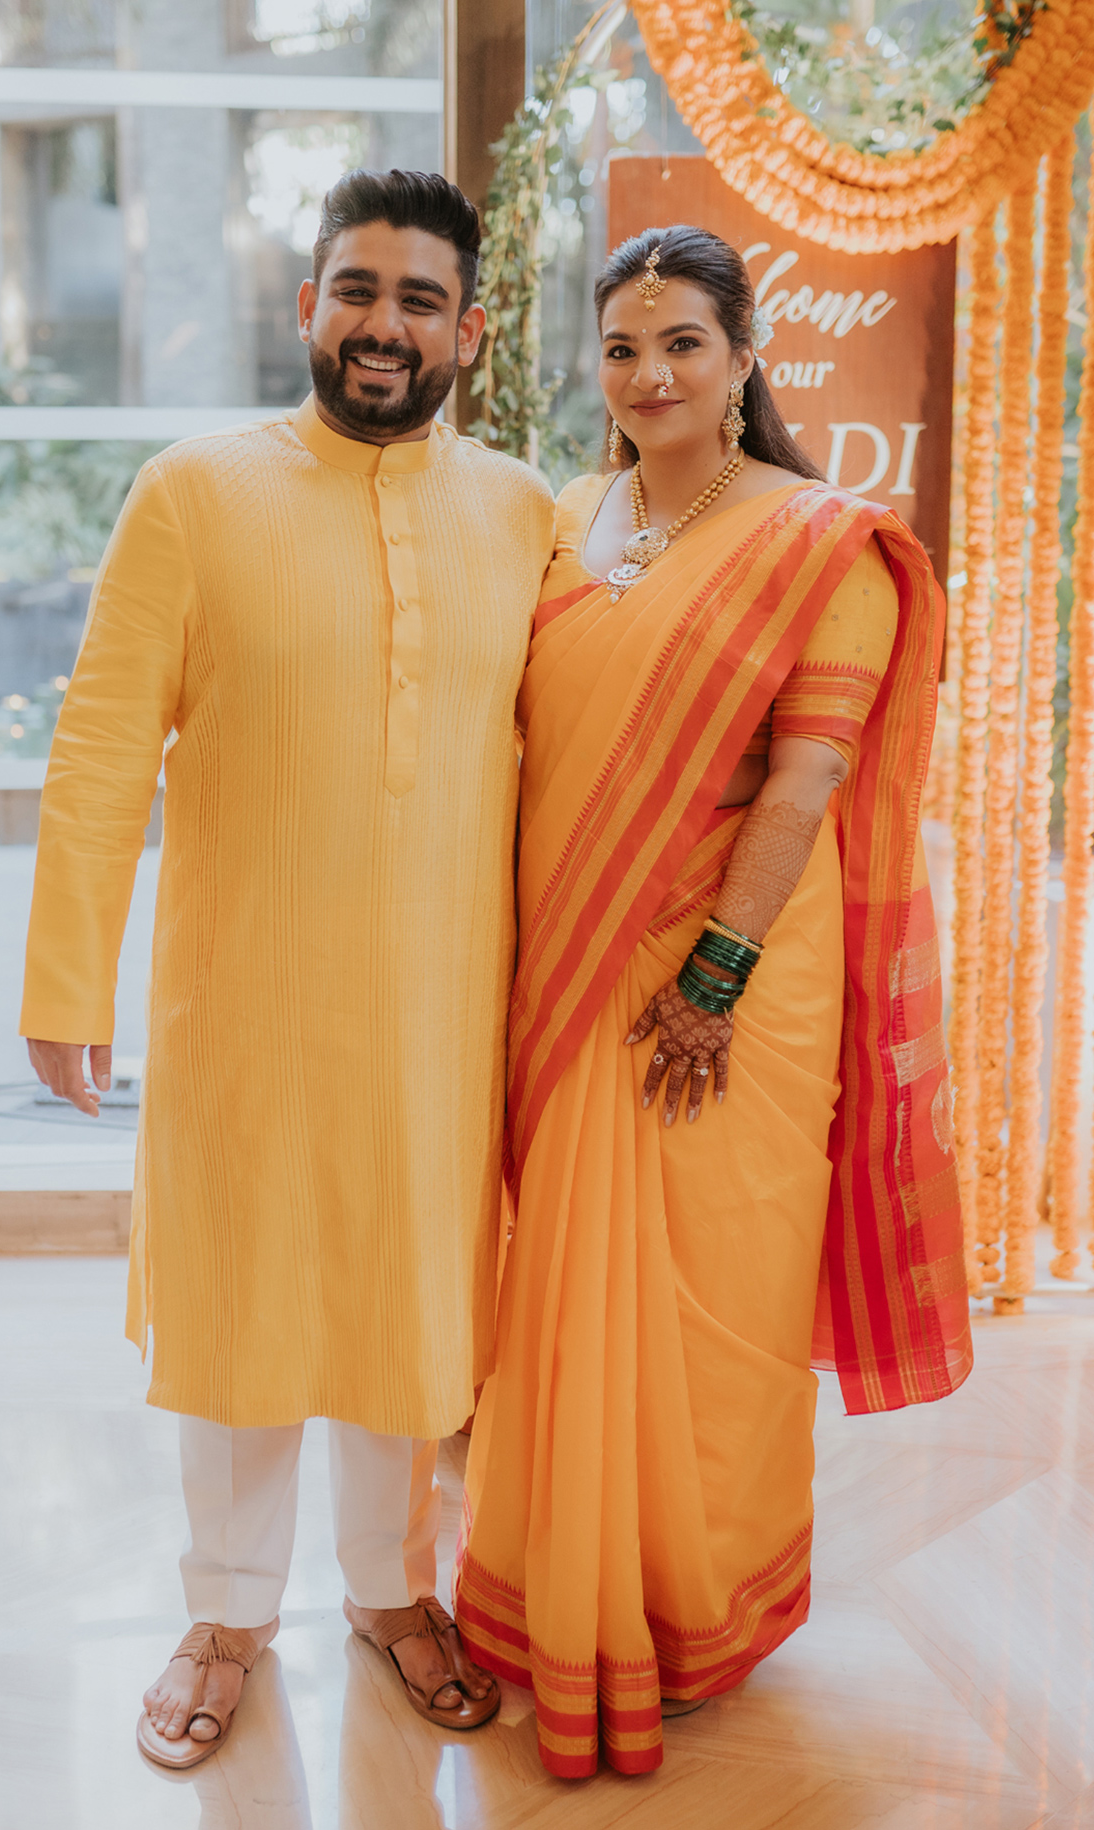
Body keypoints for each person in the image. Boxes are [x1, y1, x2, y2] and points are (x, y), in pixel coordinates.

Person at [20, 168, 555, 1767]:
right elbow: (101, 747)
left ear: (469, 329)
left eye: (417, 299)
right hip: (244, 1001)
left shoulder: (525, 513)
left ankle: (393, 1591)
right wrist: (66, 981)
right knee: (246, 1311)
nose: (383, 325)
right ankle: (227, 1611)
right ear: (310, 304)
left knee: (408, 1306)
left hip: (441, 1012)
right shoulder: (195, 492)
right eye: (356, 290)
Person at [454, 224, 973, 1778]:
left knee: (711, 1303)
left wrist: (713, 977)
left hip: (724, 988)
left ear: (746, 357)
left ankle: (689, 1614)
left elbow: (804, 782)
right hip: (569, 964)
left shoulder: (822, 541)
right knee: (563, 1287)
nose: (650, 373)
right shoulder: (568, 519)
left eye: (683, 341)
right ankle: (554, 1593)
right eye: (622, 346)